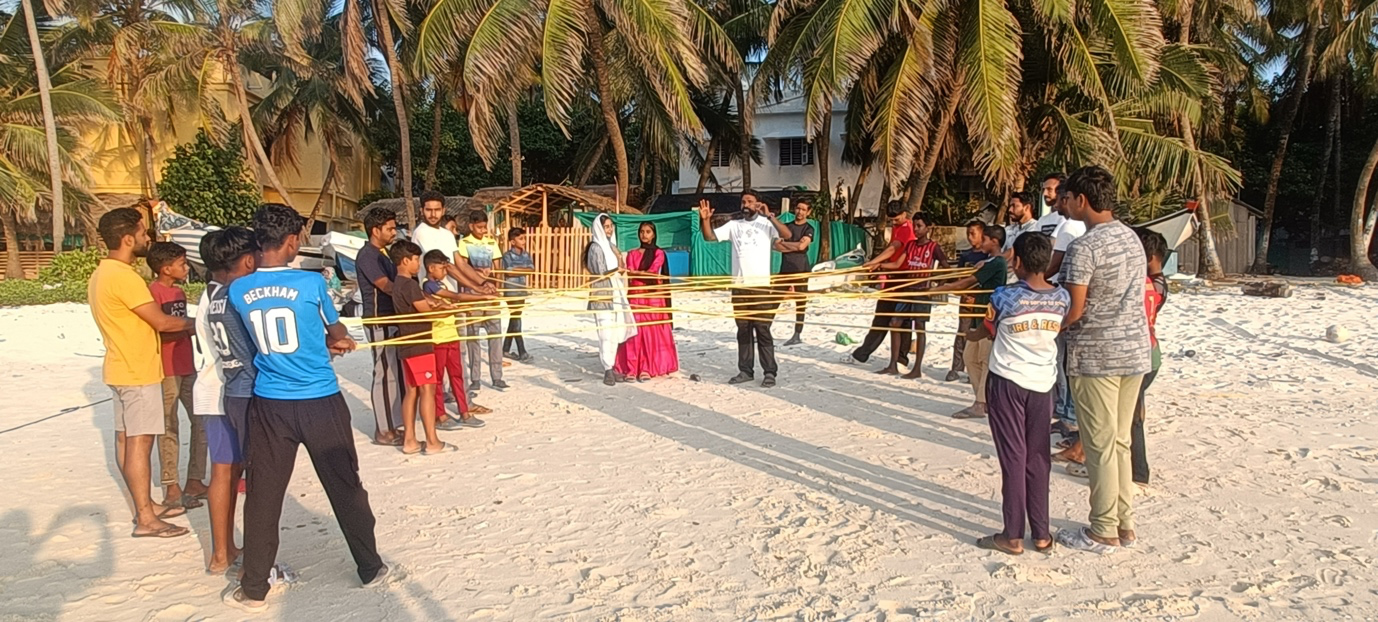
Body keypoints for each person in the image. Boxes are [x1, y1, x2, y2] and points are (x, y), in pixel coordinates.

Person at [224, 205, 385, 612]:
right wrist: (338, 342)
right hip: (319, 400)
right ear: (293, 240)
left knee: (263, 494)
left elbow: (252, 345)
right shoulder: (311, 283)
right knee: (344, 483)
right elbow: (336, 331)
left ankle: (255, 588)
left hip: (270, 403)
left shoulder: (238, 290)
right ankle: (370, 566)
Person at [1051, 165, 1151, 555]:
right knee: (1120, 442)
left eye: (1067, 197)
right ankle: (1124, 523)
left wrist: (1046, 329)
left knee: (1099, 445)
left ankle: (1102, 528)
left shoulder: (1085, 247)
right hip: (1133, 352)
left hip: (1096, 355)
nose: (1064, 204)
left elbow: (1074, 309)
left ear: (1082, 200)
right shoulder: (1130, 238)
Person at [88, 207, 196, 539]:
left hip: (120, 367)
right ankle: (146, 517)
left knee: (126, 439)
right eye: (143, 233)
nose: (147, 238)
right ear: (127, 238)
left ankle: (144, 504)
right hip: (138, 370)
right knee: (140, 441)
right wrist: (202, 324)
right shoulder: (125, 277)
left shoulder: (101, 274)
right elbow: (162, 322)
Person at [969, 233, 1069, 556]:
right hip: (1043, 383)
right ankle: (1041, 533)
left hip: (1008, 382)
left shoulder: (1003, 297)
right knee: (1038, 458)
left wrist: (969, 333)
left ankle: (1012, 534)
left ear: (1019, 262)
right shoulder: (1062, 298)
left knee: (1013, 457)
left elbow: (987, 328)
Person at [193, 227, 258, 573]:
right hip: (231, 390)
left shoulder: (209, 293)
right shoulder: (236, 294)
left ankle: (223, 551)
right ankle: (229, 552)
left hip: (210, 387)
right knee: (233, 471)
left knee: (225, 470)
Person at [699, 190, 792, 388]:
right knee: (743, 330)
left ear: (758, 203)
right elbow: (709, 237)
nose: (746, 204)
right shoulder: (734, 225)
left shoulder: (767, 224)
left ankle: (769, 372)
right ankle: (745, 371)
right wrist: (705, 219)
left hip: (761, 288)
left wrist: (770, 215)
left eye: (750, 201)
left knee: (763, 330)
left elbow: (787, 234)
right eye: (743, 201)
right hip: (739, 287)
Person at [411, 191, 494, 400]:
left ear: (444, 210)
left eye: (437, 209)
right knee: (441, 353)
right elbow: (447, 267)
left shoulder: (447, 235)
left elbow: (460, 263)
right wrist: (477, 288)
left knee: (458, 350)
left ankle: (459, 395)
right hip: (437, 299)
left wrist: (482, 283)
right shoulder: (421, 233)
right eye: (428, 209)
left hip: (453, 299)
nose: (432, 213)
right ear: (422, 210)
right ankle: (448, 398)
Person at [146, 241, 207, 511]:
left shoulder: (179, 293)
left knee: (201, 420)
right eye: (182, 264)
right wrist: (194, 327)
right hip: (166, 367)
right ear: (166, 268)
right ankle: (171, 485)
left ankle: (195, 478)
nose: (186, 268)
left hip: (186, 364)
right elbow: (160, 329)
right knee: (169, 425)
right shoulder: (154, 293)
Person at [929, 224, 1008, 418]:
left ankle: (980, 404)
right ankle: (984, 400)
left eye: (986, 239)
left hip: (987, 318)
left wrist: (940, 289)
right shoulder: (989, 262)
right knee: (970, 358)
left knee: (984, 359)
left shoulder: (997, 263)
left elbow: (968, 282)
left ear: (994, 242)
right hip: (977, 317)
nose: (982, 242)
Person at [389, 241, 452, 456]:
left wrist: (438, 306)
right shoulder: (410, 284)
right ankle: (432, 441)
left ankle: (410, 440)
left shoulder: (398, 283)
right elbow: (427, 313)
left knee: (412, 391)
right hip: (419, 344)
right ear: (405, 261)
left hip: (407, 342)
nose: (418, 264)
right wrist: (447, 310)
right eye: (416, 260)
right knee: (428, 389)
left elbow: (421, 307)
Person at [422, 250, 493, 426]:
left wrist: (467, 305)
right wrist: (482, 296)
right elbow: (456, 297)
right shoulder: (428, 286)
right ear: (431, 268)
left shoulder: (441, 284)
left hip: (451, 336)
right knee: (438, 379)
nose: (446, 272)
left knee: (458, 376)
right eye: (442, 268)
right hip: (437, 339)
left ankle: (464, 412)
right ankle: (440, 415)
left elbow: (454, 302)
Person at [355, 208, 405, 447]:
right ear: (376, 230)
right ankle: (384, 430)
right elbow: (385, 286)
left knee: (394, 373)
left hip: (392, 318)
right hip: (379, 319)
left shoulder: (383, 254)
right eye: (390, 228)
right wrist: (415, 297)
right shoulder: (368, 255)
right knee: (384, 374)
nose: (394, 232)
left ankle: (393, 425)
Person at [876, 215, 946, 378]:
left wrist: (938, 285)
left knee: (920, 327)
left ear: (928, 228)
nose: (916, 229)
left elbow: (945, 266)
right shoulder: (910, 245)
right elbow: (897, 264)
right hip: (908, 289)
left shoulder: (934, 247)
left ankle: (917, 369)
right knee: (895, 322)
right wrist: (879, 265)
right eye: (914, 226)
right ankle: (893, 364)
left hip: (922, 292)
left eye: (919, 226)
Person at [851, 202, 916, 366]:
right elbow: (891, 250)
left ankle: (901, 358)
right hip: (894, 275)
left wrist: (874, 262)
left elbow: (893, 248)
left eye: (896, 219)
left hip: (905, 276)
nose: (893, 222)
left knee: (902, 319)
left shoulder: (908, 229)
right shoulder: (897, 227)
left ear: (904, 213)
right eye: (891, 220)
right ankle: (864, 354)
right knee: (884, 315)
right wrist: (878, 264)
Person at [615, 222, 680, 381]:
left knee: (651, 332)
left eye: (648, 232)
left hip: (653, 298)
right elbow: (630, 274)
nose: (644, 235)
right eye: (642, 232)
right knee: (634, 332)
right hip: (636, 296)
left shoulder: (659, 253)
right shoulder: (632, 253)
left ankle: (647, 368)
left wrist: (635, 272)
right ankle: (631, 368)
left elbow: (652, 273)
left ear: (653, 234)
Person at [1132, 230, 1169, 488]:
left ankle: (1138, 471)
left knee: (1132, 418)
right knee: (1133, 414)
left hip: (1141, 354)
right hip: (1149, 353)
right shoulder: (1153, 283)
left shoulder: (1152, 284)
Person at [458, 210, 508, 392]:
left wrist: (495, 284)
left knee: (495, 335)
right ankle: (476, 378)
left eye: (484, 226)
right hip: (473, 294)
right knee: (473, 338)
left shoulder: (491, 242)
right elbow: (462, 267)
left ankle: (497, 376)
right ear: (471, 226)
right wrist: (477, 278)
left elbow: (498, 267)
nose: (482, 230)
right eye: (479, 226)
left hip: (491, 293)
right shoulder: (464, 243)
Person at [586, 213, 637, 386]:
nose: (609, 229)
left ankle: (612, 366)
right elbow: (599, 272)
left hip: (615, 292)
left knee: (616, 330)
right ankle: (607, 369)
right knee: (605, 332)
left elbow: (619, 266)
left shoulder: (612, 246)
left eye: (610, 226)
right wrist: (617, 270)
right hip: (602, 294)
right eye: (606, 226)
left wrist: (620, 269)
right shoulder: (595, 248)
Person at [947, 220, 990, 382]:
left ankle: (976, 369)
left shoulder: (988, 257)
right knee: (962, 333)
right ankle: (956, 367)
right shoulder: (965, 255)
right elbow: (959, 278)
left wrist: (977, 296)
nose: (970, 237)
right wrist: (964, 294)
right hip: (966, 299)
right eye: (968, 233)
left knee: (980, 335)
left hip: (981, 301)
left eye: (973, 233)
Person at [776, 199, 816, 347]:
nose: (800, 212)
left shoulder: (809, 228)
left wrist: (787, 245)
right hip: (785, 268)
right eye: (798, 208)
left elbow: (802, 246)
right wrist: (795, 245)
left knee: (800, 303)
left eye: (803, 209)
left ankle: (797, 333)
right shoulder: (786, 227)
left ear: (808, 212)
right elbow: (776, 246)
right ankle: (764, 329)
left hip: (801, 269)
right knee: (774, 299)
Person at [501, 227, 535, 362]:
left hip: (522, 290)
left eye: (524, 238)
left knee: (515, 318)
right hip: (511, 290)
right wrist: (523, 270)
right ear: (512, 241)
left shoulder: (526, 254)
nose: (524, 241)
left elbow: (532, 269)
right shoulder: (507, 255)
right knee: (516, 319)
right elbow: (508, 272)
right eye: (520, 238)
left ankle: (505, 349)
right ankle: (522, 351)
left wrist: (518, 270)